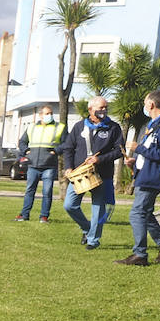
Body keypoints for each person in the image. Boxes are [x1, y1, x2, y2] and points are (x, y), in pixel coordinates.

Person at [117, 90, 160, 266]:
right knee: (145, 214)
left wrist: (139, 148)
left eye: (145, 103)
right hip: (145, 174)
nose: (144, 107)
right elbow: (153, 152)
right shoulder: (155, 124)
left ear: (151, 104)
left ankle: (140, 254)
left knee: (137, 213)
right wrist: (135, 162)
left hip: (153, 177)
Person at [60, 96, 124, 250]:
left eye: (105, 107)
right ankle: (87, 228)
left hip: (102, 174)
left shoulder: (113, 127)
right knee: (69, 205)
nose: (104, 110)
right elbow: (68, 148)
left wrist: (100, 159)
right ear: (90, 109)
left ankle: (93, 241)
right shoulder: (79, 126)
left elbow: (120, 151)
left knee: (98, 208)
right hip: (80, 174)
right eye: (101, 108)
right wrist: (68, 167)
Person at [15, 105, 65, 222]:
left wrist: (56, 151)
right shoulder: (31, 127)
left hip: (49, 165)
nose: (50, 115)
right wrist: (26, 151)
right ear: (41, 115)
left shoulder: (59, 127)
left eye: (51, 113)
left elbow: (66, 143)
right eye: (47, 113)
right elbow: (22, 142)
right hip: (33, 165)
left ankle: (44, 216)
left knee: (47, 192)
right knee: (29, 190)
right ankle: (24, 214)